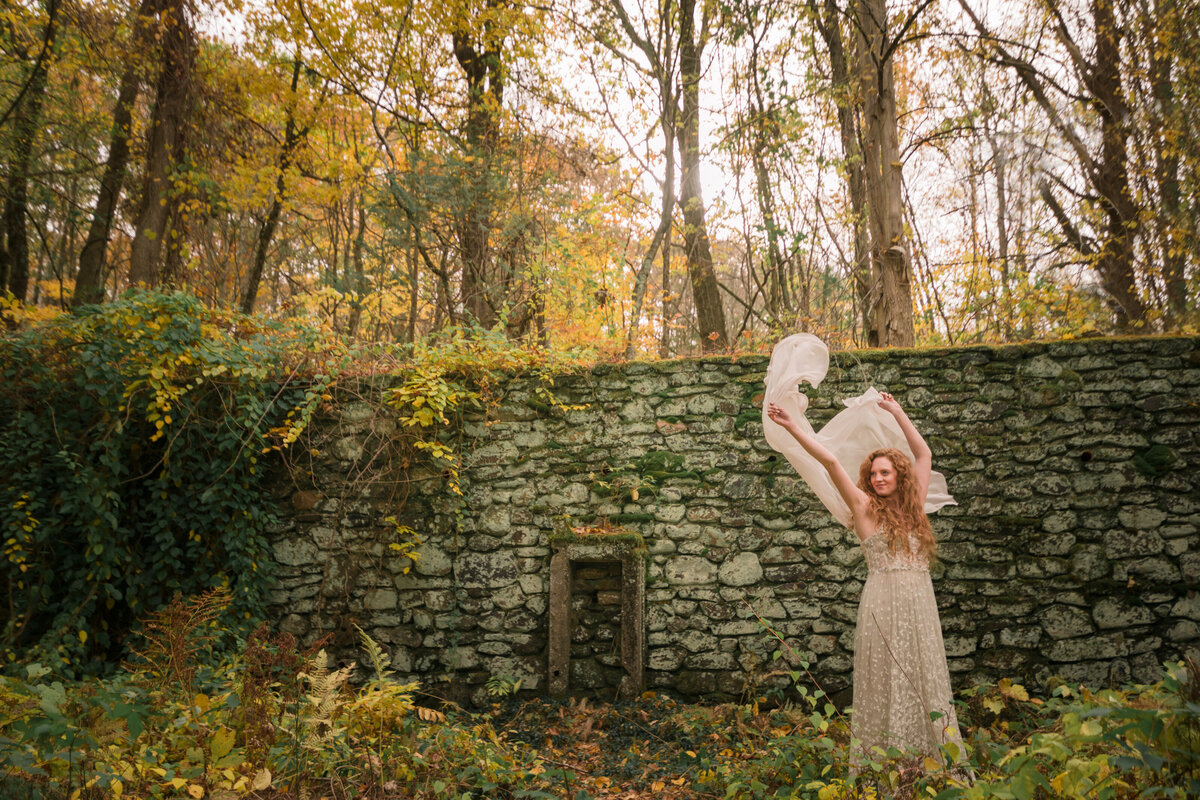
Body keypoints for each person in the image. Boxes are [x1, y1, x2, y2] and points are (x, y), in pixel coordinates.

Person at [766, 381, 966, 766]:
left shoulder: (916, 506)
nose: (877, 478)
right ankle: (885, 764)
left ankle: (929, 760)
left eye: (885, 472)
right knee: (885, 678)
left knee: (924, 673)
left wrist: (897, 412)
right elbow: (830, 462)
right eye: (873, 473)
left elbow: (923, 454)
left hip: (920, 603)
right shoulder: (862, 507)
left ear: (899, 475)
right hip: (881, 603)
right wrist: (794, 427)